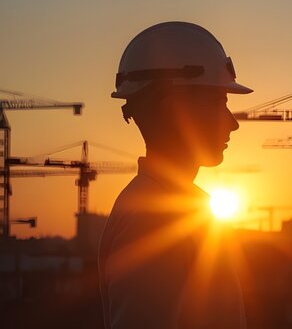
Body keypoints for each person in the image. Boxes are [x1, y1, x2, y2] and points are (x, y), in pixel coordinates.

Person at [99, 21, 253, 329]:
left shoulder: (172, 206)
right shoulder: (154, 217)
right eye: (219, 103)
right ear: (174, 108)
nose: (232, 123)